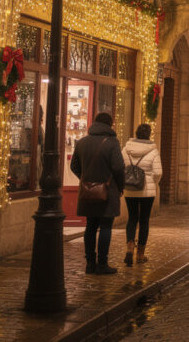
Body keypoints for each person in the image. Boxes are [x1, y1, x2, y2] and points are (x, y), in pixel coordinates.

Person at [70, 112, 126, 275]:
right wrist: (120, 186)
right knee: (106, 226)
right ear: (110, 124)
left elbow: (74, 166)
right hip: (107, 191)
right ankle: (102, 264)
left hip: (88, 191)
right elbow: (118, 167)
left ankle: (90, 263)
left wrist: (86, 179)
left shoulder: (82, 142)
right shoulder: (112, 143)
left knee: (90, 226)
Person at [121, 123, 161, 267]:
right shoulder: (153, 151)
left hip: (129, 189)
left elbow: (120, 167)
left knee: (132, 219)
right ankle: (140, 255)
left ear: (136, 133)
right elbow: (158, 173)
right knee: (144, 221)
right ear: (149, 134)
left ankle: (130, 248)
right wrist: (152, 183)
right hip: (147, 191)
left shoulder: (126, 149)